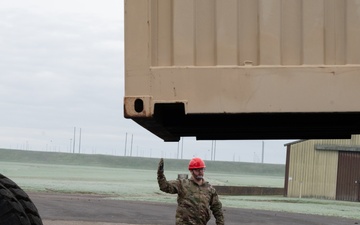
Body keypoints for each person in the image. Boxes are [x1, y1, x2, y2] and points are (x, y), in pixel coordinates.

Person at [157, 157, 224, 225]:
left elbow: (217, 208)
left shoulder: (209, 189)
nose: (200, 172)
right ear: (191, 171)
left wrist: (220, 223)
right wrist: (160, 174)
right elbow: (165, 187)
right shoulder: (182, 184)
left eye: (202, 169)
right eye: (197, 170)